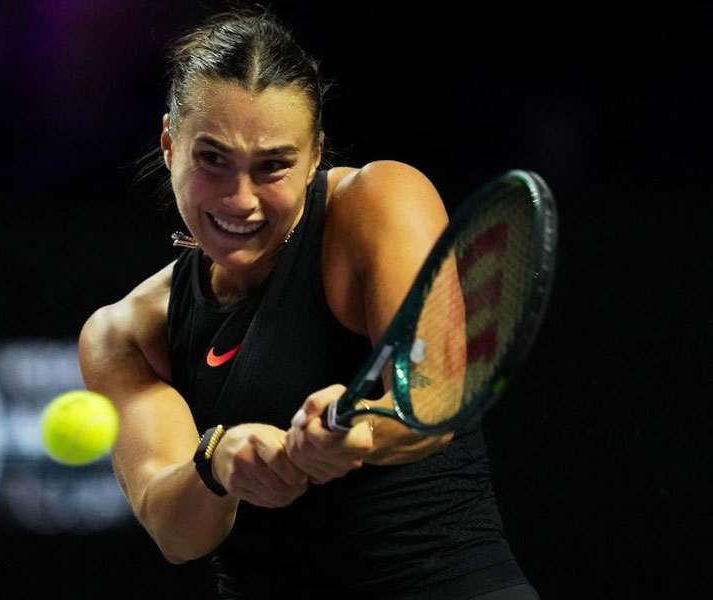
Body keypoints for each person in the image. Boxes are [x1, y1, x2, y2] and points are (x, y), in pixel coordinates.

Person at [79, 9, 539, 599]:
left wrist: (361, 432)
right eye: (212, 159)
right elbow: (176, 533)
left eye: (272, 165)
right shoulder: (125, 333)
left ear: (316, 155)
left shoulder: (379, 202)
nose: (239, 200)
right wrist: (218, 462)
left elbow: (434, 395)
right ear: (170, 145)